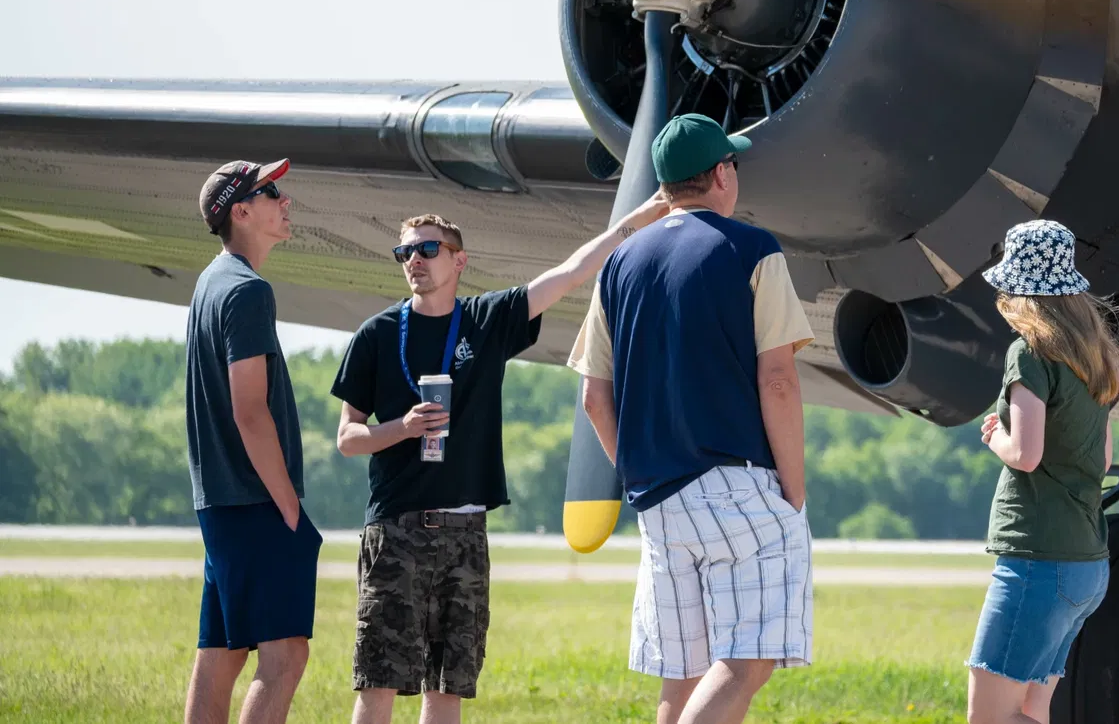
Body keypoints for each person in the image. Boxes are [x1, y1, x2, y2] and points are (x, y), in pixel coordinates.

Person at [329, 194, 668, 724]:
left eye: (428, 250)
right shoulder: (376, 335)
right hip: (397, 531)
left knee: (448, 687)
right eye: (405, 252)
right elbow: (348, 437)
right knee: (380, 684)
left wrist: (643, 214)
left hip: (466, 533)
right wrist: (403, 428)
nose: (414, 261)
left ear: (459, 260)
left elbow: (574, 270)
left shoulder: (486, 320)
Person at [569, 113, 816, 724]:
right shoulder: (753, 250)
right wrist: (794, 493)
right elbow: (779, 380)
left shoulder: (619, 265)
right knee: (746, 661)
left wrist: (639, 477)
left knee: (682, 674)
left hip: (655, 496)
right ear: (722, 175)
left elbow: (594, 399)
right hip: (739, 486)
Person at [968, 219, 1119, 724]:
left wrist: (996, 437)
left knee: (989, 717)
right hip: (1087, 563)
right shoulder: (1097, 357)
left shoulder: (1030, 354)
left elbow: (1027, 454)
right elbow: (1102, 459)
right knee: (1032, 713)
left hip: (1038, 557)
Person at [183, 158, 318, 724]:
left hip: (222, 503)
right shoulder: (246, 290)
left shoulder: (210, 283)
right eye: (272, 192)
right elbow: (250, 411)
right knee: (285, 655)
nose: (284, 200)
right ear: (241, 211)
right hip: (256, 502)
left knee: (222, 653)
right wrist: (288, 505)